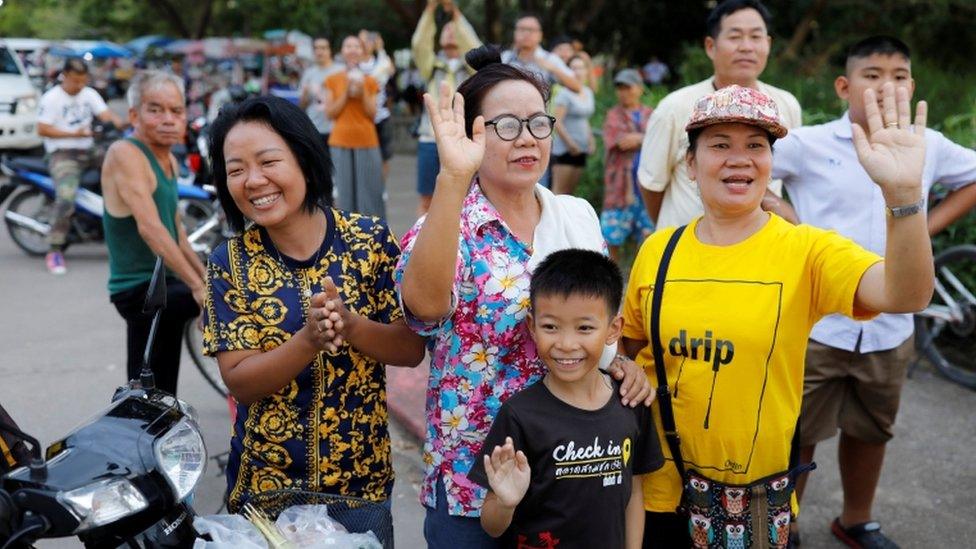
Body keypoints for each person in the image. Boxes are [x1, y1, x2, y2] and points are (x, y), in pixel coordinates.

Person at [620, 83, 934, 548]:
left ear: (771, 162)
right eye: (720, 145)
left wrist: (904, 195)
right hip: (654, 486)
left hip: (754, 498)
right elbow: (627, 349)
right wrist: (621, 366)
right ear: (690, 163)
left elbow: (906, 293)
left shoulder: (806, 249)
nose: (739, 158)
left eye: (755, 146)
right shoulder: (658, 251)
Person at [395, 46, 652, 549]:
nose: (527, 139)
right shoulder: (446, 226)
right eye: (506, 126)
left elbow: (597, 322)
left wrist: (622, 364)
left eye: (538, 123)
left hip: (572, 478)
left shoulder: (576, 216)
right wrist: (451, 179)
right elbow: (423, 311)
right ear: (471, 134)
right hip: (475, 485)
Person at [770, 36, 976, 549]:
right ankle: (785, 523)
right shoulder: (809, 143)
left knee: (871, 429)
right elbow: (753, 173)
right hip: (819, 321)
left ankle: (855, 519)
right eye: (872, 74)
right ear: (844, 86)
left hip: (890, 327)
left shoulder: (926, 146)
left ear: (912, 85)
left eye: (900, 74)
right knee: (797, 432)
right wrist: (792, 224)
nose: (887, 84)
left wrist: (921, 232)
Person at [202, 95, 426, 513]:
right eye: (236, 170)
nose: (253, 180)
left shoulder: (369, 240)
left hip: (361, 488)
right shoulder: (228, 262)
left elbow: (411, 349)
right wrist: (308, 340)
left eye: (268, 162)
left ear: (304, 159)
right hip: (266, 491)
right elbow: (240, 381)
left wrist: (351, 326)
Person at [468, 249, 664, 548]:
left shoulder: (630, 403)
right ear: (532, 327)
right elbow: (492, 526)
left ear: (614, 329)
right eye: (551, 327)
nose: (567, 344)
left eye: (584, 328)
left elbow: (634, 492)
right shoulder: (519, 415)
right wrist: (506, 503)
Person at [636, 0, 802, 230]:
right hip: (687, 253)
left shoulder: (786, 105)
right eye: (735, 37)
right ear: (710, 46)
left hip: (759, 250)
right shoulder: (673, 108)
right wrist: (673, 232)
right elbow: (651, 186)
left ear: (768, 44)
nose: (746, 47)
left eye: (756, 37)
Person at [101, 70, 204, 395]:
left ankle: (158, 428)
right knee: (147, 388)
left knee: (157, 385)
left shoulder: (169, 160)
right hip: (137, 288)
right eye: (155, 109)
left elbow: (178, 235)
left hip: (163, 282)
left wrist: (207, 284)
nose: (168, 119)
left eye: (176, 111)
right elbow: (151, 229)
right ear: (134, 115)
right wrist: (198, 288)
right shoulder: (125, 153)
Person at [37, 58, 126, 275]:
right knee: (66, 197)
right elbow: (43, 129)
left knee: (126, 169)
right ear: (64, 76)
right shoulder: (52, 98)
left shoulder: (89, 94)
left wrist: (121, 122)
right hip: (63, 152)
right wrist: (73, 134)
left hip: (89, 149)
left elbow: (105, 115)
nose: (79, 85)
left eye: (83, 81)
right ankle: (55, 249)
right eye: (76, 81)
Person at [412, 0, 482, 215]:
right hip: (431, 140)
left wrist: (455, 13)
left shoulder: (471, 68)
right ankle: (423, 243)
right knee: (427, 199)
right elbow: (419, 44)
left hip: (463, 140)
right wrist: (431, 9)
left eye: (455, 30)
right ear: (438, 37)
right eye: (446, 29)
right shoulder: (431, 65)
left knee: (466, 198)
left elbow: (474, 45)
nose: (451, 32)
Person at [325, 35, 385, 218]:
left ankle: (372, 234)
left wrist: (362, 92)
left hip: (366, 139)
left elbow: (372, 113)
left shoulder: (370, 80)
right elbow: (330, 113)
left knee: (370, 193)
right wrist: (346, 91)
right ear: (342, 51)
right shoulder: (333, 80)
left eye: (356, 46)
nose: (352, 50)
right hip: (340, 139)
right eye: (348, 46)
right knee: (344, 194)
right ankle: (346, 235)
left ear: (362, 51)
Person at [601, 69, 655, 262]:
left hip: (647, 183)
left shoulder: (651, 114)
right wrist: (645, 138)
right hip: (620, 186)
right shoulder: (613, 115)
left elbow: (660, 139)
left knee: (649, 234)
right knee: (611, 236)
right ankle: (613, 278)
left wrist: (639, 139)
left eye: (628, 87)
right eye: (620, 88)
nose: (624, 92)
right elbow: (617, 140)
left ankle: (639, 275)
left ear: (639, 89)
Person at [501, 14, 581, 93]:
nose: (526, 33)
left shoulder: (550, 59)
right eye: (522, 29)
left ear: (540, 35)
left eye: (531, 30)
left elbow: (577, 86)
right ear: (515, 33)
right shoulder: (504, 57)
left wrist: (553, 69)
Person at [550, 54, 595, 196]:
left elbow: (585, 119)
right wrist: (570, 144)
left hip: (581, 148)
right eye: (573, 68)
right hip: (565, 149)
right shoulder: (564, 94)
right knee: (559, 192)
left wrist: (591, 140)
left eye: (581, 68)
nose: (578, 71)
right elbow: (557, 121)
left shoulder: (587, 92)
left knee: (570, 193)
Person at [359, 30, 397, 180]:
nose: (364, 43)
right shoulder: (353, 65)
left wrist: (381, 48)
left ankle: (381, 190)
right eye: (361, 40)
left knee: (383, 157)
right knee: (363, 157)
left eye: (368, 40)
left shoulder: (380, 62)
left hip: (381, 117)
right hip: (361, 118)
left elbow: (390, 70)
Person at [298, 37, 341, 150]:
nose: (319, 51)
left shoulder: (340, 71)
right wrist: (306, 94)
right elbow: (302, 105)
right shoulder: (308, 73)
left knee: (337, 166)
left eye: (323, 48)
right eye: (316, 48)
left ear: (330, 50)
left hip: (337, 129)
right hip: (314, 129)